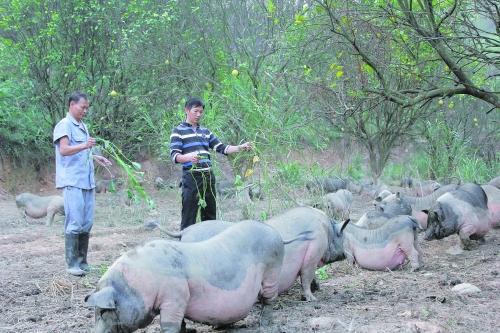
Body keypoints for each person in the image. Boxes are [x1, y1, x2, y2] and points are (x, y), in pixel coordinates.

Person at [170, 97, 252, 230]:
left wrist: (240, 147)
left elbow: (222, 147)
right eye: (195, 111)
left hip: (208, 177)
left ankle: (208, 244)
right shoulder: (178, 131)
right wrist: (188, 157)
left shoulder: (205, 132)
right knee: (189, 216)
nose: (198, 115)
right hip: (192, 178)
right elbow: (175, 156)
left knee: (210, 215)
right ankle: (184, 245)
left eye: (201, 112)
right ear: (186, 110)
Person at [53, 91, 112, 276]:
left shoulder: (83, 126)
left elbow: (82, 152)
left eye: (87, 108)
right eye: (82, 107)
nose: (85, 111)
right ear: (71, 105)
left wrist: (95, 156)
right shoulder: (64, 125)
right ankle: (72, 264)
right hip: (72, 181)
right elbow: (64, 150)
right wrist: (85, 146)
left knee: (87, 222)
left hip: (87, 181)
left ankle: (83, 262)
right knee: (75, 222)